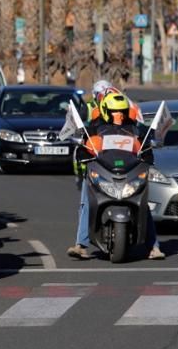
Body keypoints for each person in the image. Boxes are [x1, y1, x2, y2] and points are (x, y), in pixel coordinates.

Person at [67, 92, 164, 260]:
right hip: (101, 171)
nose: (119, 114)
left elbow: (145, 146)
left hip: (128, 172)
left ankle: (154, 247)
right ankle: (81, 245)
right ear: (105, 110)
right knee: (86, 203)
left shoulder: (133, 129)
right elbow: (83, 146)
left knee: (143, 204)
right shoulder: (95, 127)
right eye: (114, 111)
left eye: (122, 111)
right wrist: (83, 153)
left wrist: (148, 154)